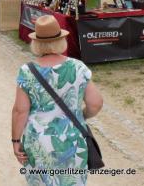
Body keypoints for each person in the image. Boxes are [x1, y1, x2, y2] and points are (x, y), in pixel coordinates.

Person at [12, 15, 103, 186]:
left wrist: (16, 141)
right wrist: (81, 115)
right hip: (73, 141)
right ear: (61, 40)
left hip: (38, 143)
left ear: (36, 43)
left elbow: (20, 111)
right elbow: (95, 103)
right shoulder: (78, 67)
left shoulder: (27, 71)